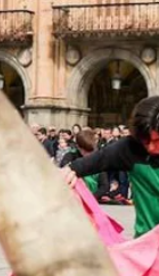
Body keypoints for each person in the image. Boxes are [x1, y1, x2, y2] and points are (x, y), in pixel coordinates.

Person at [65, 96, 159, 236]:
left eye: (157, 140)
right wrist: (70, 171)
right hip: (147, 247)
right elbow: (95, 160)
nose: (151, 148)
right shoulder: (130, 148)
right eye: (145, 141)